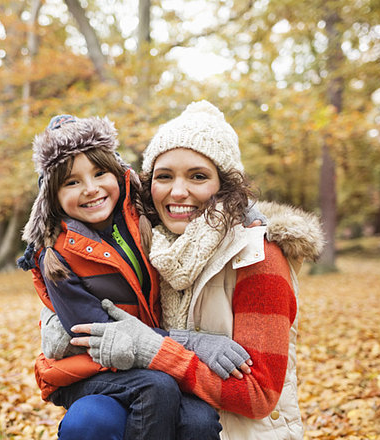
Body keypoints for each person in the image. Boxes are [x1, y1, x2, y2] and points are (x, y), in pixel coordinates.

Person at [60, 100, 324, 439]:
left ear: (226, 185)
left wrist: (157, 350)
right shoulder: (150, 246)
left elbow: (259, 394)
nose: (178, 191)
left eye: (198, 176)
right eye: (164, 176)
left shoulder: (259, 257)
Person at [17, 114, 260, 440]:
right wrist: (196, 343)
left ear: (119, 175)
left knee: (199, 420)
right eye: (72, 182)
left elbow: (193, 199)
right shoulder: (57, 257)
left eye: (100, 173)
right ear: (52, 198)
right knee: (155, 387)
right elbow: (100, 336)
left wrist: (247, 212)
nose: (91, 189)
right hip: (91, 369)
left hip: (149, 358)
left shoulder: (139, 214)